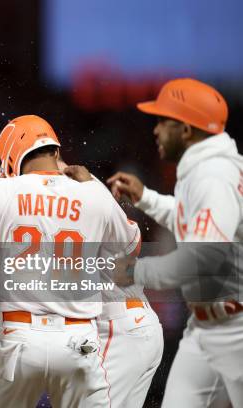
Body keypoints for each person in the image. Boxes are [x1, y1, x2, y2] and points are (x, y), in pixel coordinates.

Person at [0, 115, 142, 407]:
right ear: (56, 152)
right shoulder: (93, 193)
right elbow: (131, 246)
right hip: (79, 340)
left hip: (19, 339)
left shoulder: (1, 190)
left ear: (12, 158)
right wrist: (94, 187)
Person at [108, 78, 243, 408]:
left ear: (185, 130)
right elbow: (191, 219)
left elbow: (203, 259)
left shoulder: (213, 176)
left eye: (163, 122)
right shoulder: (204, 169)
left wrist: (137, 272)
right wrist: (146, 198)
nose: (155, 130)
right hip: (207, 328)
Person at [56, 159, 164, 408]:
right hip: (138, 323)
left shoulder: (73, 197)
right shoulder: (88, 190)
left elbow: (132, 241)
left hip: (118, 327)